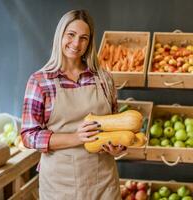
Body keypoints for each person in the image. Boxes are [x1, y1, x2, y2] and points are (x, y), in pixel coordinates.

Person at [21, 9, 126, 200]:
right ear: (60, 35)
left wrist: (118, 147)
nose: (76, 43)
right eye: (71, 35)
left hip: (103, 182)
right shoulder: (40, 81)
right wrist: (76, 137)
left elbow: (115, 125)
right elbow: (29, 136)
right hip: (60, 185)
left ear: (89, 42)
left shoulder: (104, 79)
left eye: (84, 38)